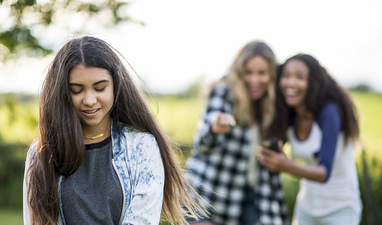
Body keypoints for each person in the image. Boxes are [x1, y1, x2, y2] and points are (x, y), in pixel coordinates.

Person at [23, 36, 206, 225]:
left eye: (100, 88)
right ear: (61, 93)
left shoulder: (141, 146)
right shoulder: (42, 154)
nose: (89, 100)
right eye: (76, 90)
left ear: (115, 86)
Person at [185, 40, 288, 225]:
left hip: (251, 197)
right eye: (248, 72)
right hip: (208, 194)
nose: (254, 80)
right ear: (239, 72)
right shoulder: (224, 92)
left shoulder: (273, 104)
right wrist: (214, 129)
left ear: (271, 74)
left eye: (262, 73)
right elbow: (203, 146)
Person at [258, 54, 362, 224]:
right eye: (285, 76)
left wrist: (287, 166)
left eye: (299, 77)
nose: (290, 83)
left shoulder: (329, 113)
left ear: (313, 83)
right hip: (307, 208)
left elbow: (324, 173)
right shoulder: (289, 114)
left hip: (341, 209)